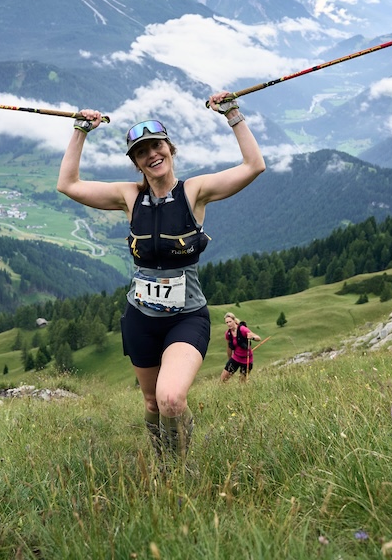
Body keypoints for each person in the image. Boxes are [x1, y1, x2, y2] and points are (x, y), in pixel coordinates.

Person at [57, 92, 265, 460]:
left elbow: (253, 166)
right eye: (142, 151)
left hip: (187, 317)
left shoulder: (194, 193)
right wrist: (80, 132)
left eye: (157, 146)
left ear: (170, 148)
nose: (151, 154)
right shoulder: (129, 197)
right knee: (152, 403)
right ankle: (164, 463)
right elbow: (69, 185)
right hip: (140, 318)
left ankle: (181, 466)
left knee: (171, 399)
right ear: (136, 163)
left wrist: (232, 113)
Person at [220, 312, 261, 382]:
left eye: (230, 321)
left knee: (242, 383)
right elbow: (229, 348)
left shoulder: (242, 329)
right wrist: (229, 360)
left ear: (234, 321)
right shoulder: (228, 333)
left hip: (246, 359)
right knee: (223, 379)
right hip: (235, 358)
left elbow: (258, 338)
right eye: (227, 322)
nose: (229, 324)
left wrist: (252, 337)